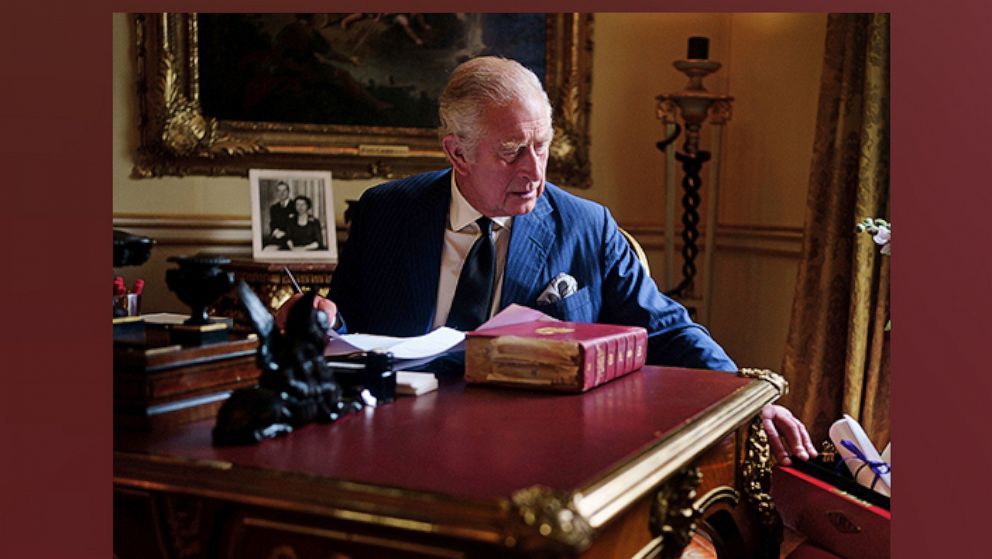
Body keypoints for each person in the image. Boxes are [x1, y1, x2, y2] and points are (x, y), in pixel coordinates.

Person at [279, 56, 816, 465]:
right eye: (512, 150)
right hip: (397, 443)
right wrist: (315, 318)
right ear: (457, 153)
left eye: (542, 144)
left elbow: (667, 328)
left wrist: (747, 403)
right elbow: (346, 324)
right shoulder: (387, 212)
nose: (534, 169)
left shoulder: (586, 225)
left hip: (535, 454)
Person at [265, 181, 294, 248]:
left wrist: (286, 235)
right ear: (277, 193)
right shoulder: (274, 208)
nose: (282, 193)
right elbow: (273, 223)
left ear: (288, 192)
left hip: (292, 238)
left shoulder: (295, 205)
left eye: (284, 190)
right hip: (278, 237)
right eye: (279, 191)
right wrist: (276, 232)